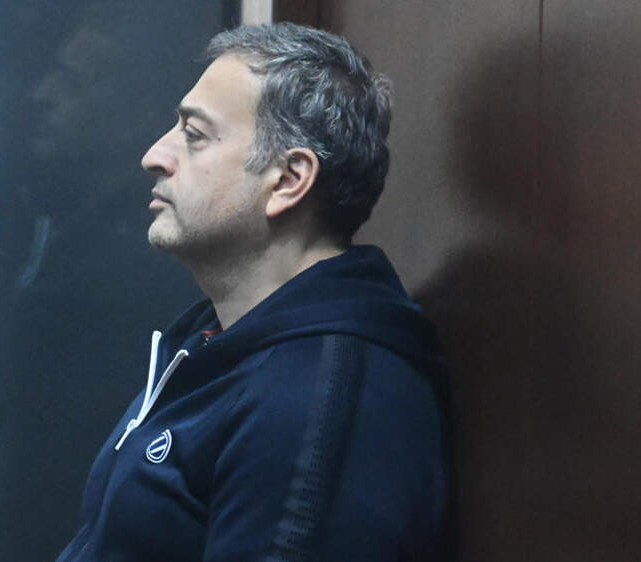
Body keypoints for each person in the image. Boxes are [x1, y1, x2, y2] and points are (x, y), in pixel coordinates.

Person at [56, 22, 451, 561]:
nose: (155, 154)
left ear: (287, 179)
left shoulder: (315, 401)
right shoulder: (216, 341)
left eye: (194, 135)